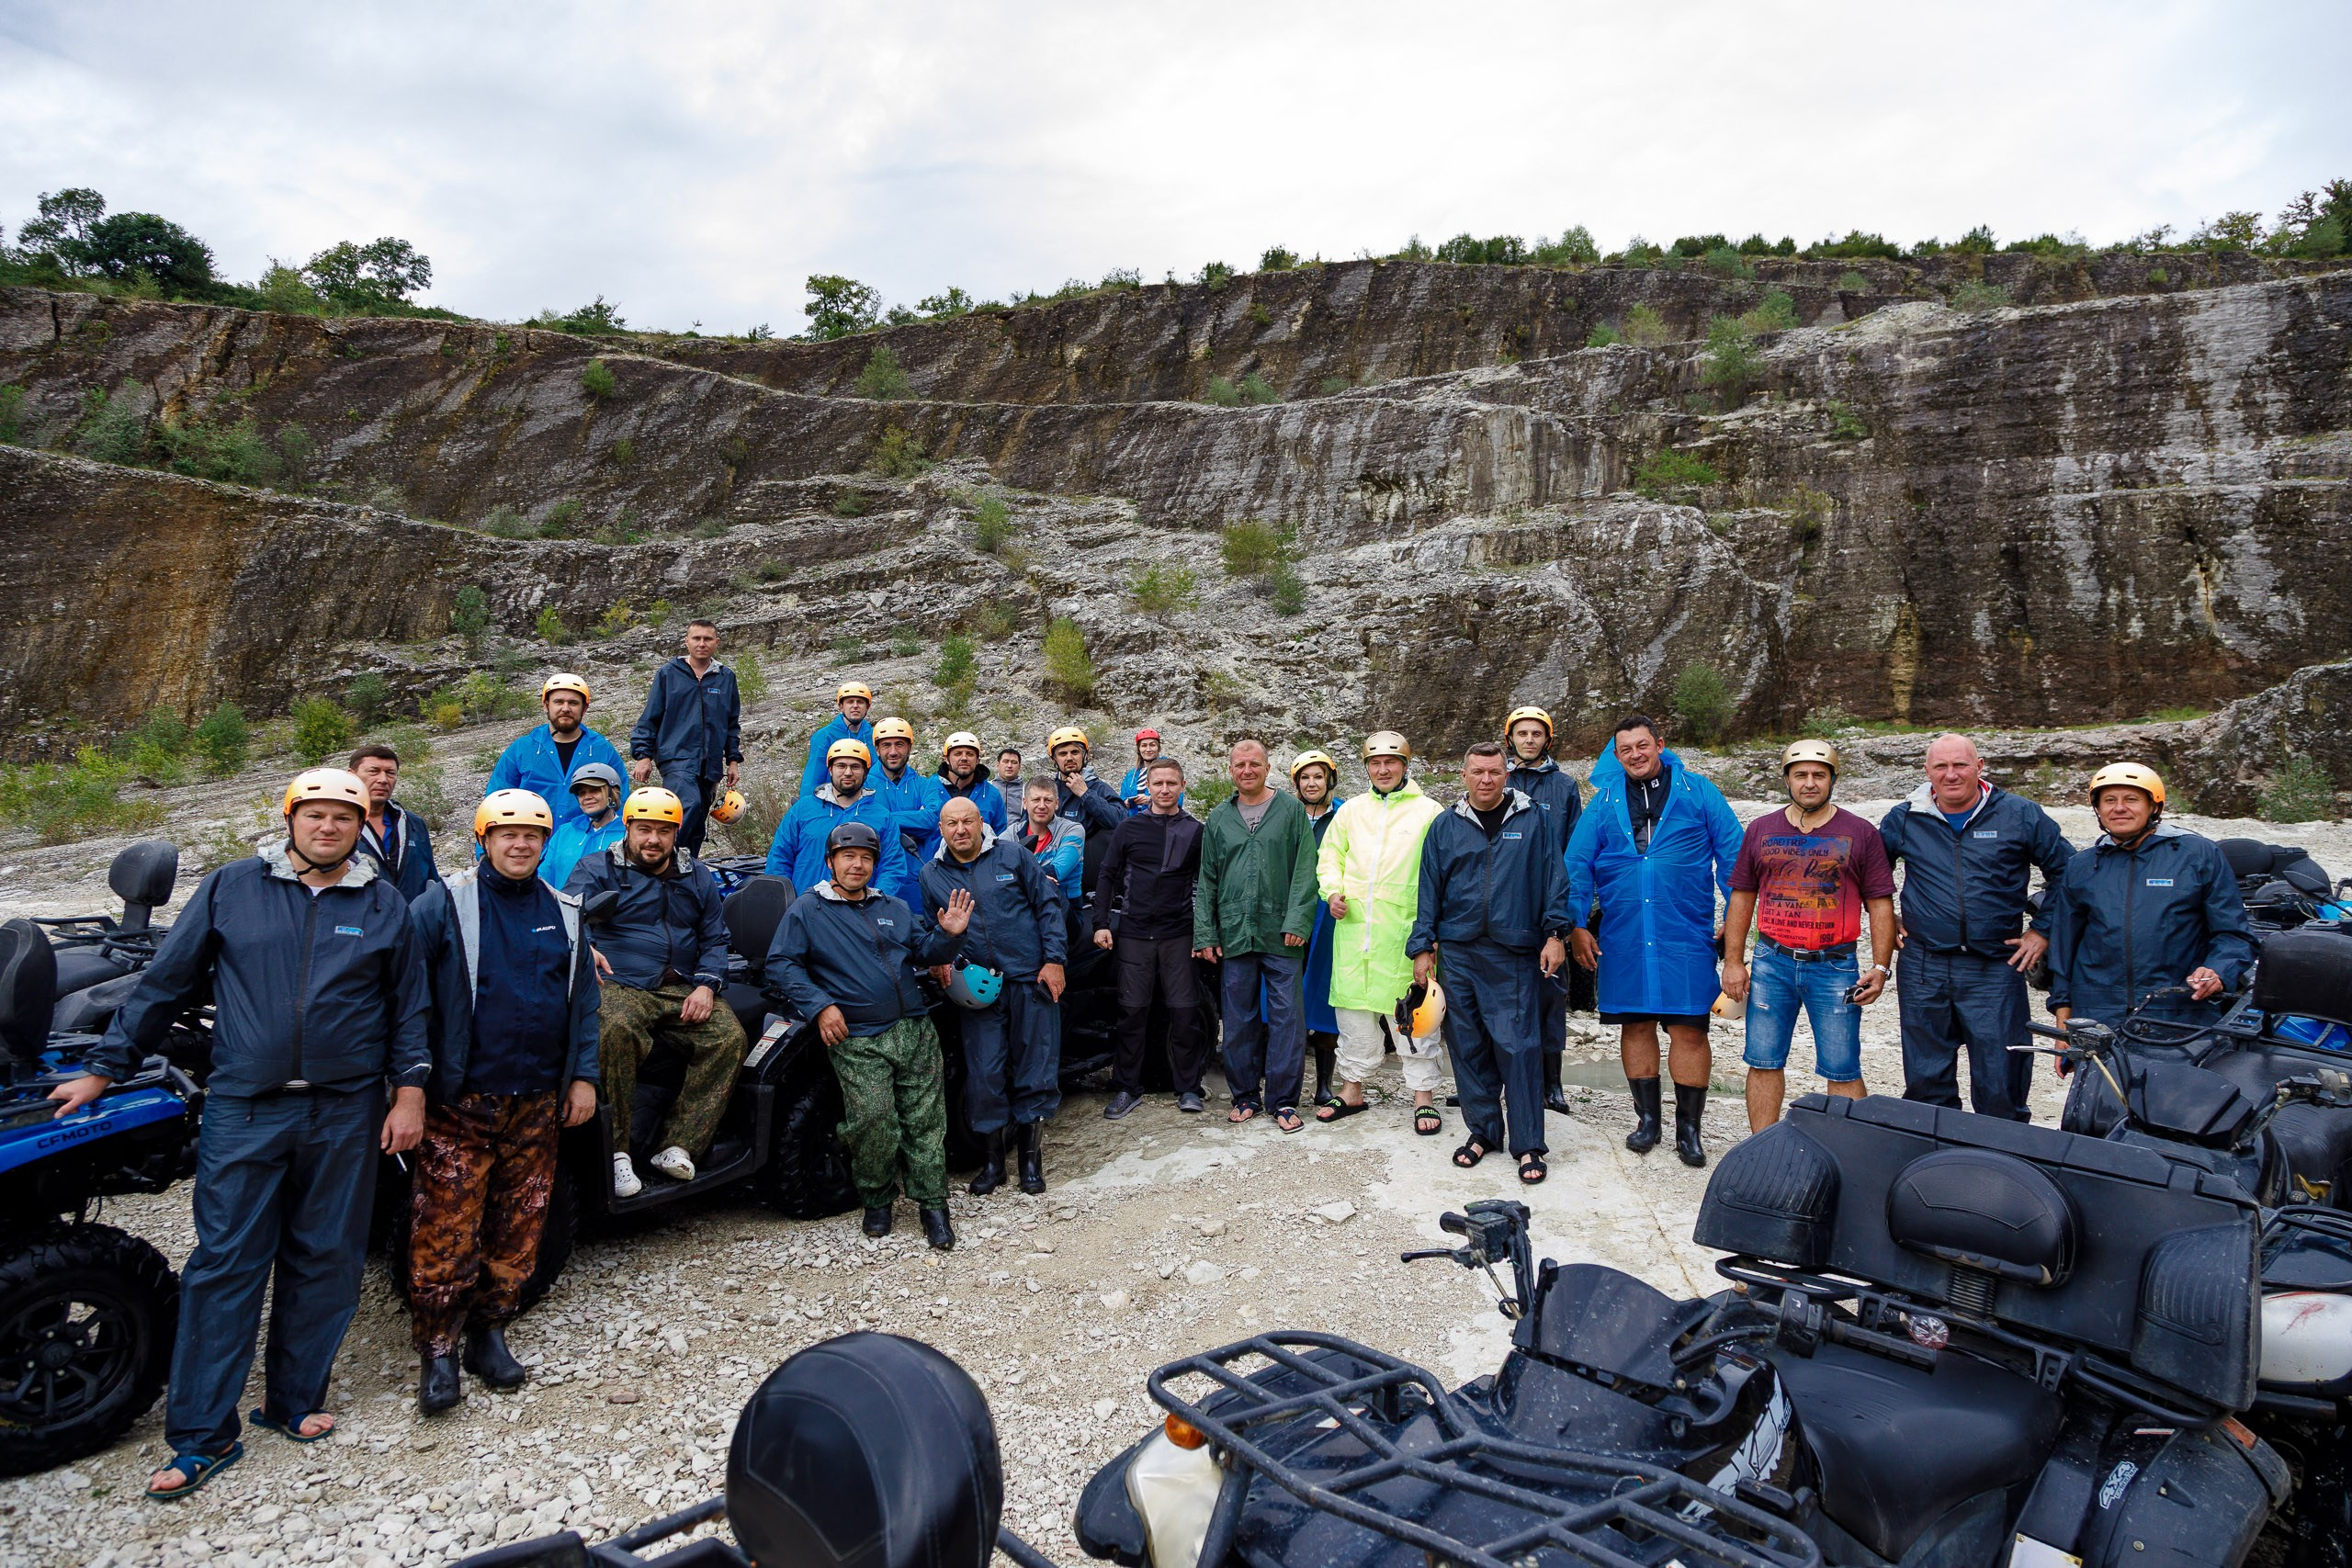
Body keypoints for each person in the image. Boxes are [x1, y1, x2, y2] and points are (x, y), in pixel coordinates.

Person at [49, 769, 428, 1502]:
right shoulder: (232, 887)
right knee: (226, 1262)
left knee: (327, 1256)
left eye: (342, 818)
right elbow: (164, 985)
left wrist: (408, 1091)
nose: (328, 827)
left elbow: (408, 1007)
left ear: (361, 827)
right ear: (290, 820)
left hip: (346, 1110)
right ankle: (202, 1434)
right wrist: (103, 1068)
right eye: (314, 815)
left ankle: (291, 1399)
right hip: (246, 1106)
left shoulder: (385, 905)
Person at [403, 790, 600, 1415]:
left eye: (532, 836)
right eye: (507, 834)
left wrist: (584, 1077)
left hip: (537, 1098)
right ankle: (438, 1347)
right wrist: (407, 1082)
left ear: (546, 845)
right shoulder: (443, 905)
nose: (520, 844)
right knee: (446, 1225)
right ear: (483, 839)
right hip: (462, 1100)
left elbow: (585, 1003)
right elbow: (407, 998)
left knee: (521, 1221)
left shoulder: (566, 911)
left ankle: (490, 1329)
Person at [767, 821, 973, 1248]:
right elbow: (782, 964)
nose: (857, 865)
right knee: (872, 1122)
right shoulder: (808, 910)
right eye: (848, 857)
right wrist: (821, 1006)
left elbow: (926, 951)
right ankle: (877, 1200)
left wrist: (949, 935)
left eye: (865, 858)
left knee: (926, 1123)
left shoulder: (894, 907)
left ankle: (933, 1206)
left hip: (913, 1028)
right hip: (858, 1037)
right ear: (830, 862)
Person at [1563, 715, 1742, 1168]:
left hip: (1685, 931)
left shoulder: (1700, 791)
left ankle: (1689, 1130)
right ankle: (1647, 1121)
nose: (1636, 755)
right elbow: (1577, 864)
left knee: (1689, 1028)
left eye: (1643, 746)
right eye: (1626, 749)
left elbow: (1736, 858)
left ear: (1659, 745)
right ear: (1616, 755)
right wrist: (1578, 924)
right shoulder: (1603, 801)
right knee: (1635, 1025)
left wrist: (1735, 924)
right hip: (1624, 933)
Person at [1878, 733, 2076, 1122]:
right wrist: (1887, 916)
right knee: (1926, 1082)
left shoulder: (2020, 814)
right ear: (1927, 772)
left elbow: (2071, 872)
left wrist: (2043, 929)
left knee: (2001, 1083)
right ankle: (1934, 1167)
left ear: (1980, 766)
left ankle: (2002, 1166)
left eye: (1960, 765)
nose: (1951, 775)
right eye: (1941, 767)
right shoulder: (1904, 818)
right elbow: (1870, 876)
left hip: (1996, 966)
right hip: (1923, 964)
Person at [564, 788, 745, 1195]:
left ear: (676, 833)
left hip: (680, 984)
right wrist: (585, 946)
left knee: (729, 1038)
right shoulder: (598, 868)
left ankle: (679, 1144)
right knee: (612, 1028)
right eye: (644, 829)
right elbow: (569, 916)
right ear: (626, 828)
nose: (653, 840)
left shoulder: (695, 874)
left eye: (664, 831)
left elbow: (715, 937)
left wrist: (706, 985)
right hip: (620, 981)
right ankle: (617, 1152)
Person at [1407, 742, 1574, 1183]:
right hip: (1458, 951)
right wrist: (1422, 946)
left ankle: (1528, 1145)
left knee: (1518, 1047)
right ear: (1463, 776)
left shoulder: (1534, 819)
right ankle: (1483, 1132)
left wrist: (1556, 934)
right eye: (1478, 772)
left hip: (1513, 950)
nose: (1486, 780)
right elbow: (1429, 890)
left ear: (1507, 775)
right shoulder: (1445, 826)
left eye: (1495, 772)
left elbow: (1555, 879)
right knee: (1467, 1044)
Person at [1720, 741, 1897, 1134]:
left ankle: (1854, 1157)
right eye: (1800, 775)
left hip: (1834, 967)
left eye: (1819, 775)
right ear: (1786, 779)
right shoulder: (1762, 830)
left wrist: (1881, 967)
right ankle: (1762, 1149)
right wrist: (1733, 961)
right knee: (1763, 1061)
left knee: (1842, 1066)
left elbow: (1880, 903)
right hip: (1771, 962)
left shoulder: (1861, 833)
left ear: (1833, 779)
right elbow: (1743, 896)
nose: (1810, 783)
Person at [921, 798, 1068, 1194]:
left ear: (980, 822)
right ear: (941, 828)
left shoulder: (1013, 856)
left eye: (968, 821)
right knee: (984, 1073)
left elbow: (1048, 906)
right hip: (978, 990)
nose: (960, 829)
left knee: (1035, 1068)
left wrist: (1054, 961)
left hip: (1029, 980)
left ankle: (1031, 1165)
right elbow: (930, 931)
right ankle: (993, 1164)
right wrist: (940, 957)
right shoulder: (931, 875)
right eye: (952, 823)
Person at [2047, 763, 2254, 1032]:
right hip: (2098, 1016)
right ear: (2098, 809)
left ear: (2154, 807)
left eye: (2131, 799)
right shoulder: (2082, 866)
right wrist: (2065, 1025)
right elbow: (2063, 950)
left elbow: (2235, 935)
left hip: (2179, 1010)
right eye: (2109, 800)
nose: (2119, 808)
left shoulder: (2197, 855)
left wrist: (2217, 970)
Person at [1315, 732, 1445, 1133]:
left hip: (1403, 935)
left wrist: (1430, 935)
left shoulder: (1429, 812)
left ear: (1406, 765)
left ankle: (1423, 1097)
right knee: (1353, 1016)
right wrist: (1332, 891)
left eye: (1391, 762)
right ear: (1366, 768)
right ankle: (1352, 1090)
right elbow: (1330, 856)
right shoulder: (1351, 811)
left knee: (1413, 1017)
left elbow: (1440, 874)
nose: (1383, 769)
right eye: (1375, 763)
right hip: (1354, 933)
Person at [1194, 739, 1321, 1131]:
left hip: (1281, 933)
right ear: (1230, 770)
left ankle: (1283, 1101)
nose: (1247, 771)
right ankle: (1245, 1095)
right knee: (1238, 1018)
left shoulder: (1290, 811)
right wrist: (1205, 933)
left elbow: (1305, 868)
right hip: (1234, 932)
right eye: (1239, 765)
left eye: (1254, 764)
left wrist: (1299, 921)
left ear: (1268, 768)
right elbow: (1207, 878)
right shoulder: (1219, 817)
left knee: (1288, 1019)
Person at [1092, 759, 1208, 1117]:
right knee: (1131, 1012)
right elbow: (1107, 875)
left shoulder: (1196, 830)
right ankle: (1128, 1087)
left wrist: (1203, 934)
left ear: (1182, 785)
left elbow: (1207, 885)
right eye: (1157, 783)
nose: (1164, 789)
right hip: (1135, 932)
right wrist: (1100, 923)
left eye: (1171, 783)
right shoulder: (1130, 829)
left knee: (1185, 1012)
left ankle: (1189, 1087)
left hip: (1178, 932)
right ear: (1149, 787)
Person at [1503, 705, 1582, 1114]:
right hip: (1502, 908)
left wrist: (1567, 917)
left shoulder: (1565, 787)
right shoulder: (1496, 780)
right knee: (1498, 996)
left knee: (1550, 996)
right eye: (1522, 733)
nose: (1529, 740)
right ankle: (1491, 1079)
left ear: (1547, 740)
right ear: (1510, 739)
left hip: (1549, 909)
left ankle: (1552, 1085)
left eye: (1537, 734)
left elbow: (1576, 852)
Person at [628, 622, 743, 854]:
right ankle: (657, 859)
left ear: (716, 643)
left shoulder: (726, 677)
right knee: (688, 805)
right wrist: (643, 755)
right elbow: (651, 716)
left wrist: (732, 761)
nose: (702, 643)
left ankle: (685, 872)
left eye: (708, 639)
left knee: (697, 825)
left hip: (710, 764)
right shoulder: (669, 673)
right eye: (697, 638)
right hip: (676, 757)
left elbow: (731, 724)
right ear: (686, 641)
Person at [766, 739, 916, 901]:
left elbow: (892, 868)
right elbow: (779, 859)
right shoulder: (802, 810)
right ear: (830, 769)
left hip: (859, 913)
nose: (848, 773)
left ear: (866, 772)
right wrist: (786, 902)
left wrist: (875, 905)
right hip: (806, 910)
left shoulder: (882, 817)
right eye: (841, 766)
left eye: (855, 767)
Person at [487, 672, 633, 832]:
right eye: (558, 702)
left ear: (584, 708)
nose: (565, 708)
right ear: (546, 705)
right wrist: (486, 852)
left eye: (573, 703)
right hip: (530, 844)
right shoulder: (521, 749)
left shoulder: (602, 750)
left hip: (584, 846)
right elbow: (495, 801)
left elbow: (621, 801)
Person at [1290, 750, 1346, 1106]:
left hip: (1328, 911)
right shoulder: (1288, 814)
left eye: (1318, 777)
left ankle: (1324, 1083)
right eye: (1305, 778)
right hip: (1292, 909)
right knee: (1286, 993)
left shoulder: (1345, 815)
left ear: (1329, 780)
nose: (1312, 783)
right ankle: (1287, 1079)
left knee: (1325, 991)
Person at [350, 741, 444, 902]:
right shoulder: (335, 825)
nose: (383, 779)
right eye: (374, 771)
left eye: (390, 773)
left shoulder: (413, 824)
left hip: (413, 922)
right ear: (351, 775)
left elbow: (431, 878)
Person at [870, 716, 947, 863]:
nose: (893, 752)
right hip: (877, 873)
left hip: (918, 874)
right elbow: (864, 823)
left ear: (910, 748)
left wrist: (882, 819)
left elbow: (931, 821)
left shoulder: (925, 785)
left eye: (899, 744)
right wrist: (915, 819)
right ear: (877, 750)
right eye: (886, 745)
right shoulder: (864, 786)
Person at [1021, 772, 1089, 937]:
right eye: (1036, 800)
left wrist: (1017, 877)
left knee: (1048, 885)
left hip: (1066, 910)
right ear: (1024, 803)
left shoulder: (1073, 830)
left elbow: (1055, 873)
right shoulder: (1011, 834)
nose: (1042, 805)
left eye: (1048, 800)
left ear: (1056, 803)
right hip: (1024, 908)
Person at [540, 762, 627, 889]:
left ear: (612, 793)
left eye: (595, 790)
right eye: (582, 793)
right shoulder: (565, 832)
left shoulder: (627, 834)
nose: (587, 797)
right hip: (562, 907)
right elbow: (544, 877)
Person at [799, 681, 876, 795]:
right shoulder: (824, 736)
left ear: (867, 707)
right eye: (850, 702)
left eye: (860, 702)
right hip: (834, 802)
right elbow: (813, 778)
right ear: (841, 706)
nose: (855, 706)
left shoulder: (875, 736)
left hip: (869, 801)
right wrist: (807, 807)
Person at [1048, 726, 1125, 837]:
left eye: (1075, 752)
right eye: (1063, 754)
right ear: (1053, 759)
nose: (1069, 758)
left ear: (1085, 755)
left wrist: (1086, 794)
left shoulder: (1099, 788)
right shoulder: (1048, 790)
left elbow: (1121, 821)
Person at [938, 730, 1009, 832]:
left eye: (970, 754)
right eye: (957, 754)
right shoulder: (928, 789)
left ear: (978, 759)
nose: (964, 758)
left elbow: (1000, 836)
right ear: (947, 758)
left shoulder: (992, 795)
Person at [1120, 728, 1182, 813]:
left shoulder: (1169, 768)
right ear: (1139, 749)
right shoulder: (1131, 776)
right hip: (1135, 822)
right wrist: (1126, 802)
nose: (1148, 749)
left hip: (1162, 822)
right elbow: (1121, 801)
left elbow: (1178, 800)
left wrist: (1151, 800)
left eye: (1152, 745)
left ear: (1158, 748)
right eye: (1144, 745)